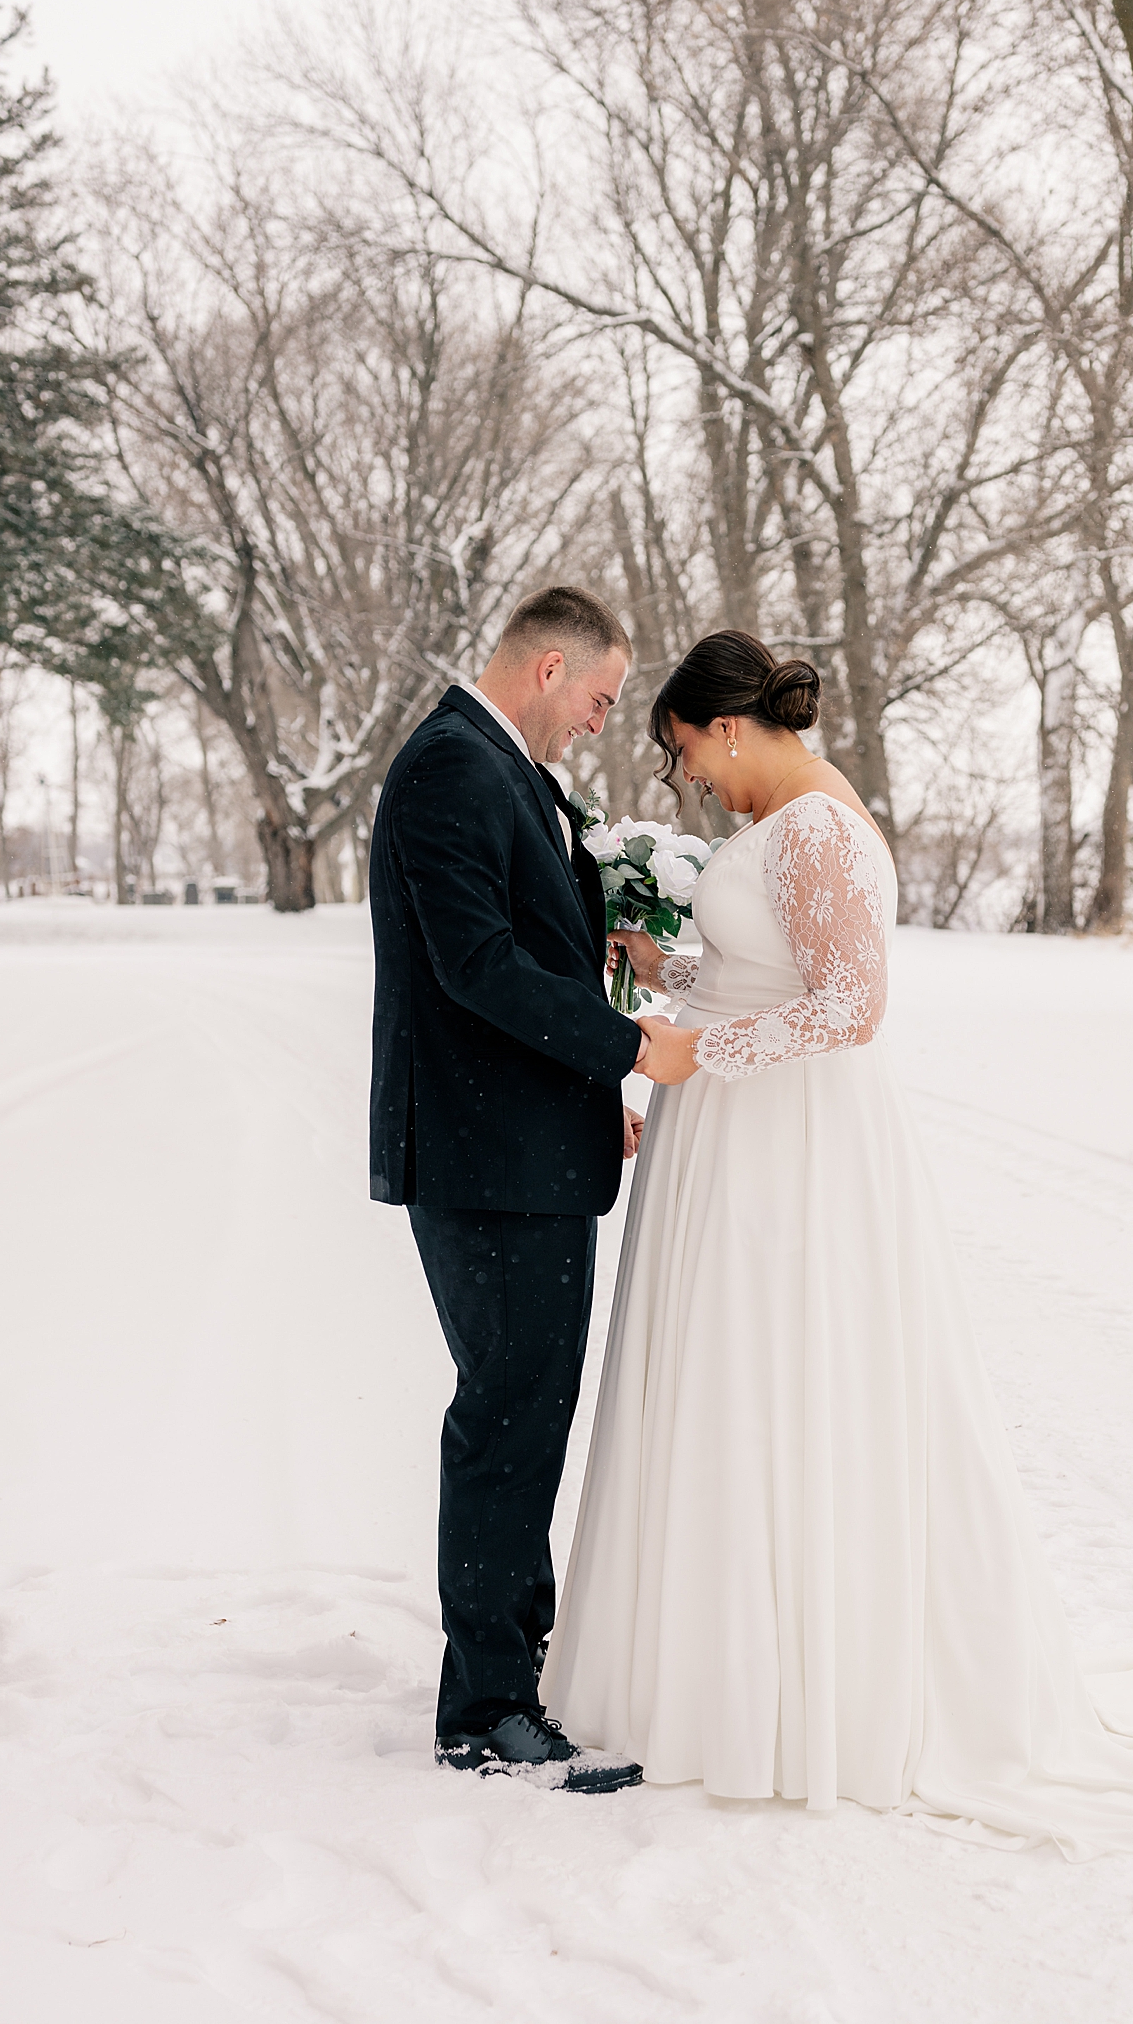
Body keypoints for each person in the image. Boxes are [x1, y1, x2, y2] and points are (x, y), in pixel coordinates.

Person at [542, 629, 1133, 1853]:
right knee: (724, 1393)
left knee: (785, 1386)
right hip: (734, 1136)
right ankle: (715, 1664)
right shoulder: (779, 831)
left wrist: (693, 1051)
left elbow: (851, 1006)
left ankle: (800, 1687)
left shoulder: (819, 827)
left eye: (686, 756)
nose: (691, 784)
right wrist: (667, 965)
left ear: (728, 726)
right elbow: (769, 971)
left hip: (794, 1151)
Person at [368, 584, 647, 1794]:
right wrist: (629, 1049)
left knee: (526, 1413)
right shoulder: (451, 768)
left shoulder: (499, 768)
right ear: (545, 668)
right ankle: (483, 1708)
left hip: (525, 1150)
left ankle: (513, 1670)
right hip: (486, 1165)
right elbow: (476, 968)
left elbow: (532, 944)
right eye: (598, 698)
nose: (598, 721)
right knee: (505, 1417)